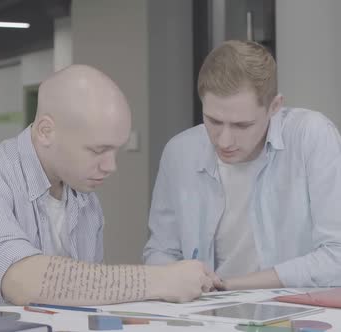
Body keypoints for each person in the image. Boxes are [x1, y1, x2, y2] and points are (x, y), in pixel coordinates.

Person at [0, 64, 220, 306]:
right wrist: (158, 280)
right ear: (46, 131)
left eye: (116, 150)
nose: (111, 167)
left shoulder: (85, 202)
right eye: (97, 150)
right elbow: (22, 281)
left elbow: (81, 297)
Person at [144, 40, 341, 290]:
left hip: (289, 312)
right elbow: (161, 250)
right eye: (213, 121)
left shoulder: (311, 137)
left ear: (275, 107)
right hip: (204, 314)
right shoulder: (179, 152)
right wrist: (172, 278)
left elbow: (337, 257)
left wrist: (228, 286)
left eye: (242, 125)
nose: (224, 141)